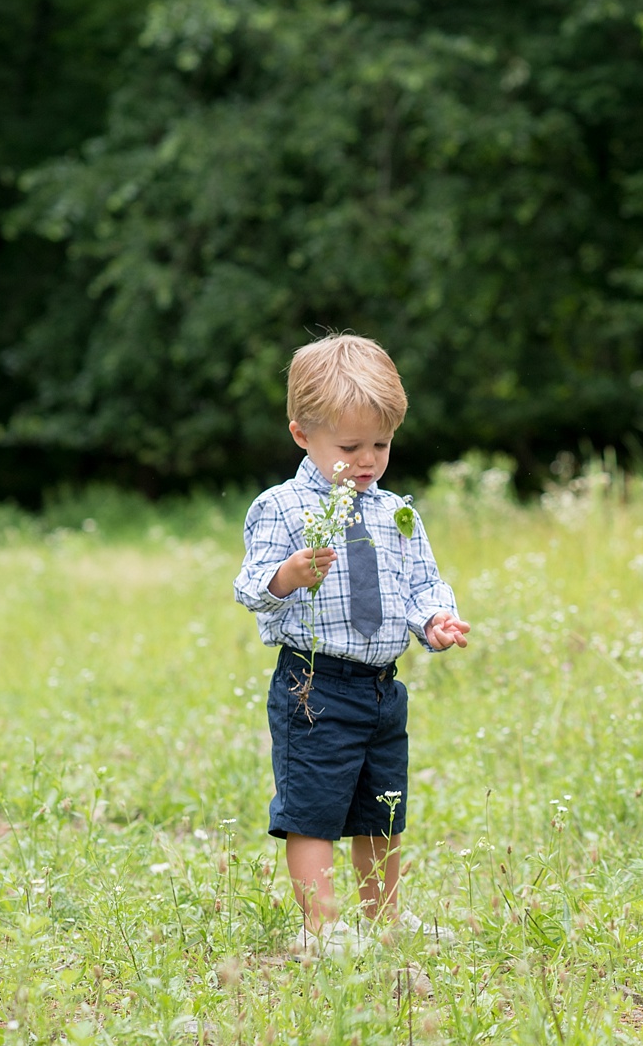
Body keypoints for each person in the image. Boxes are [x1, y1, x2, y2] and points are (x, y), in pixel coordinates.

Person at [234, 334, 471, 955]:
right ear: (301, 435)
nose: (366, 460)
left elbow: (420, 583)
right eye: (349, 447)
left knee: (381, 807)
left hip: (379, 685)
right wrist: (290, 573)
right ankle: (321, 929)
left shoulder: (398, 512)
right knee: (312, 807)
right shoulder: (282, 508)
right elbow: (252, 585)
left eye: (381, 445)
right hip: (313, 683)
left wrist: (436, 621)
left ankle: (382, 918)